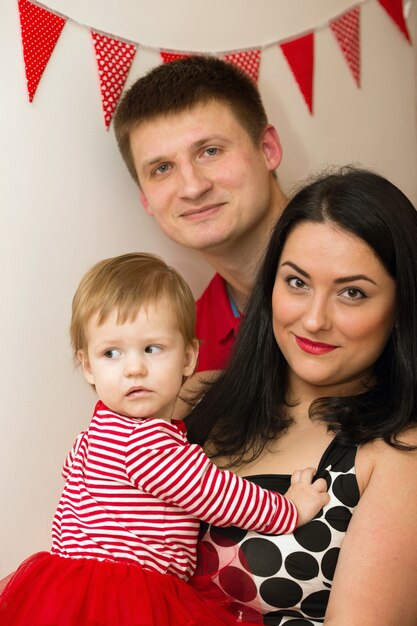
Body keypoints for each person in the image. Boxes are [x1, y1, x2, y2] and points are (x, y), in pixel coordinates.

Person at [0, 253, 329, 626]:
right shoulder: (146, 444)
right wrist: (291, 508)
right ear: (88, 366)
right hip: (129, 596)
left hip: (74, 590)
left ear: (189, 357)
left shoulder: (93, 436)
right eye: (112, 353)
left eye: (152, 349)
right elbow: (219, 495)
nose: (134, 367)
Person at [185, 168, 417, 625]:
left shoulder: (399, 457)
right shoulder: (195, 400)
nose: (313, 320)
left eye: (352, 293)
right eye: (297, 282)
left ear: (400, 309)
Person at [113, 55, 287, 374]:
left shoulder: (376, 258)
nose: (192, 188)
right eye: (162, 168)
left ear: (268, 149)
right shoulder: (184, 351)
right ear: (146, 199)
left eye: (210, 151)